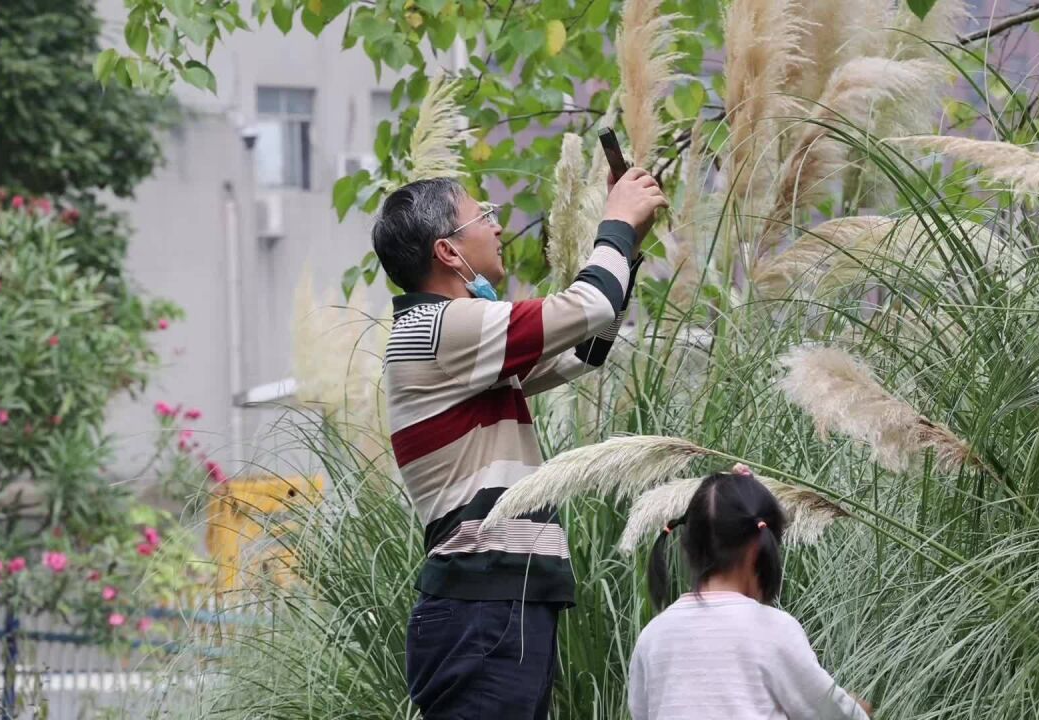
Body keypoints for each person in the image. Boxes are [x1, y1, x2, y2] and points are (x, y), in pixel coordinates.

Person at [371, 168, 668, 718]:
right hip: (480, 606)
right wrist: (615, 225)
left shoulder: (463, 344)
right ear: (448, 251)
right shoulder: (439, 330)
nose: (497, 223)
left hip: (499, 603)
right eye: (482, 216)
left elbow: (584, 350)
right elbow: (591, 307)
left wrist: (628, 246)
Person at [629, 465, 872, 720]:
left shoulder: (653, 636)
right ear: (759, 548)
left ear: (689, 546)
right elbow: (837, 715)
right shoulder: (773, 630)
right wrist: (858, 707)